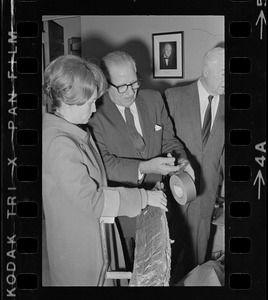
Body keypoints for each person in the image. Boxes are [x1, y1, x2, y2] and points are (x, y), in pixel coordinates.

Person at [42, 54, 168, 286]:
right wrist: (144, 197)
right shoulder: (59, 143)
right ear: (69, 100)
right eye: (90, 101)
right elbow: (92, 200)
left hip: (94, 237)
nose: (95, 108)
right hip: (81, 249)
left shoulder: (71, 131)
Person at [88, 51, 194, 276]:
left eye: (135, 82)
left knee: (169, 268)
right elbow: (103, 164)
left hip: (160, 203)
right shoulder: (94, 113)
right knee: (134, 274)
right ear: (106, 85)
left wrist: (182, 159)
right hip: (124, 215)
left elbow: (169, 140)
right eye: (122, 86)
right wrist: (145, 167)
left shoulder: (154, 99)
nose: (131, 91)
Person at [165, 47, 225, 278]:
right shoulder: (174, 97)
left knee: (197, 258)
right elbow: (163, 140)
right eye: (221, 72)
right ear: (205, 70)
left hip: (206, 193)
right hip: (175, 189)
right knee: (168, 253)